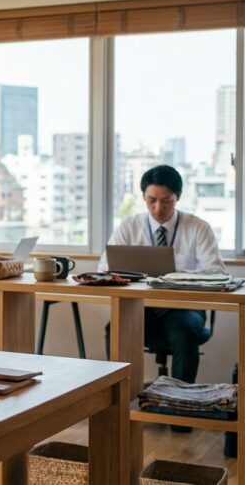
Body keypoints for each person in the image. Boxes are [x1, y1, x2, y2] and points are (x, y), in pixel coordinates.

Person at [99, 165, 225, 387]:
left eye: (166, 200)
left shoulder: (198, 228)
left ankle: (180, 411)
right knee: (117, 328)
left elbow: (216, 272)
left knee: (184, 331)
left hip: (184, 308)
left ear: (178, 197)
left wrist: (177, 276)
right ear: (144, 197)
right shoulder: (129, 226)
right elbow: (105, 267)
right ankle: (122, 404)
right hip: (142, 307)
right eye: (151, 200)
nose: (158, 208)